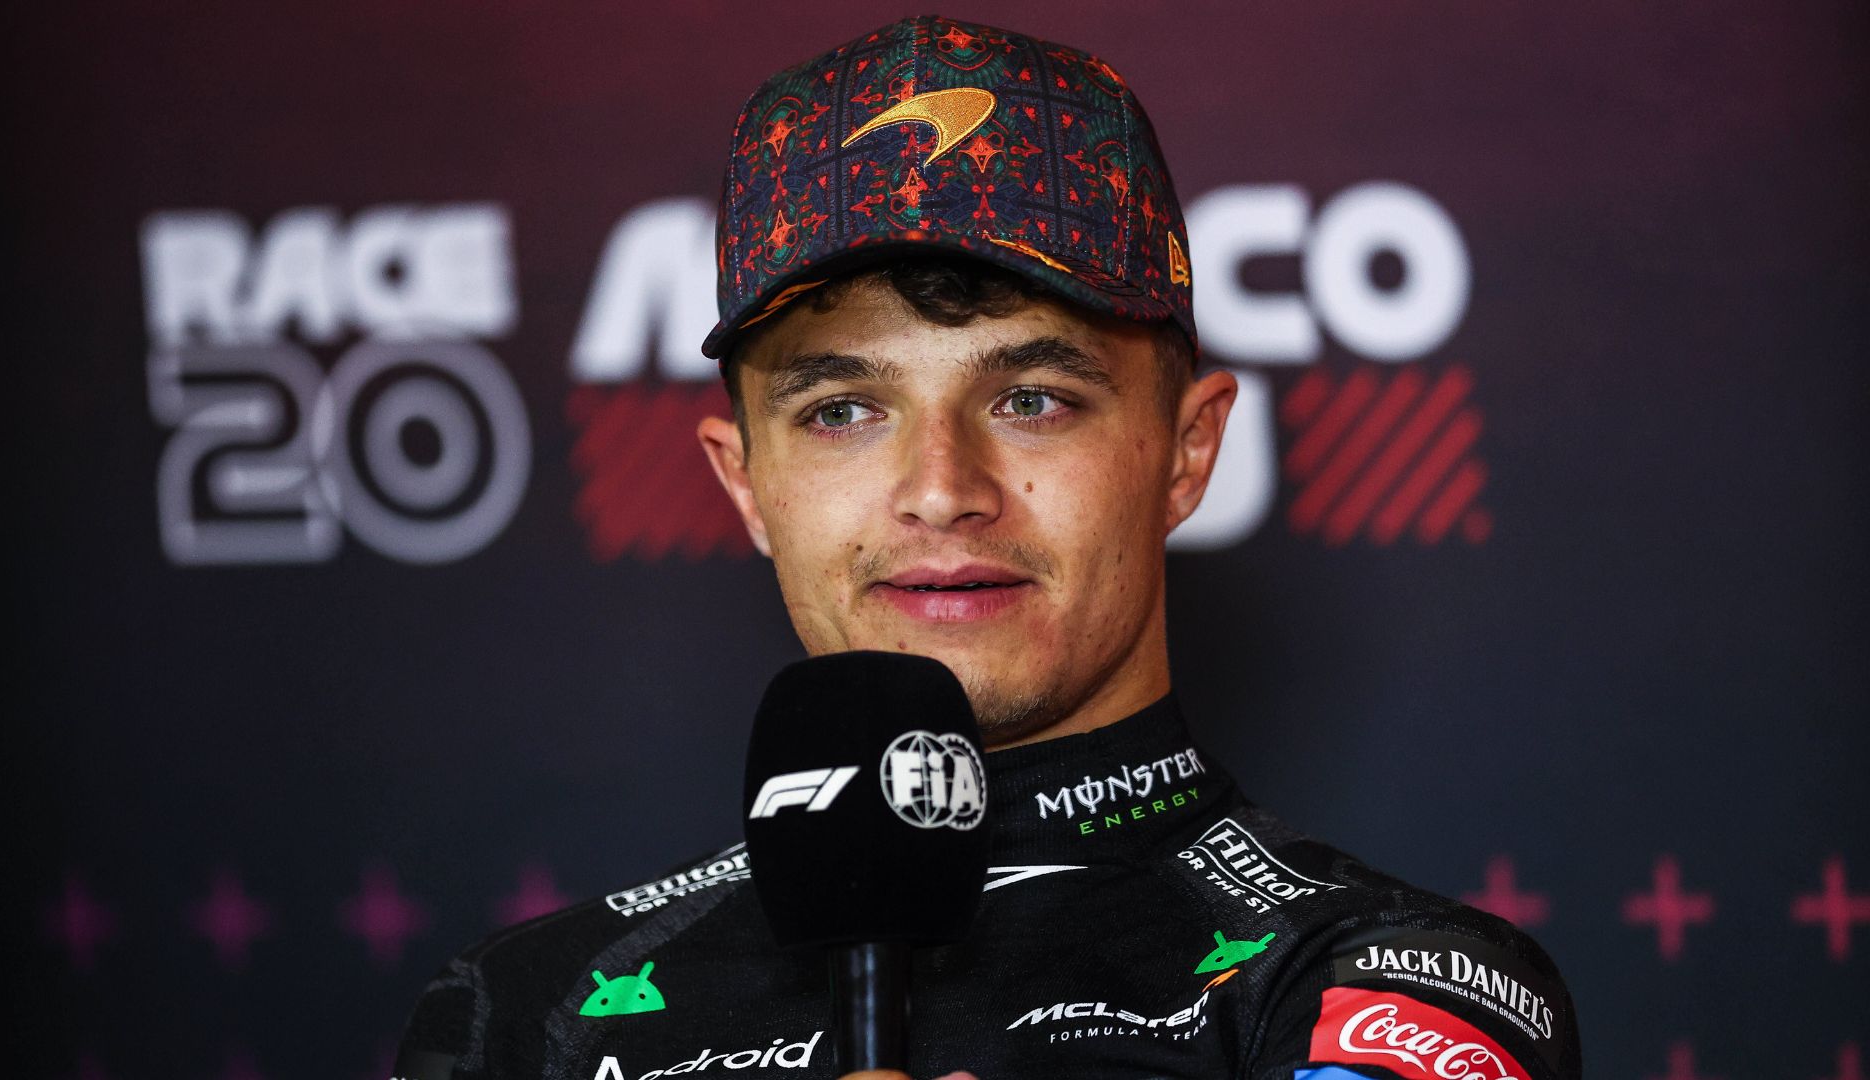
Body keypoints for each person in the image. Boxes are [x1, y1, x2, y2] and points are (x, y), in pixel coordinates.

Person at [394, 15, 1579, 1079]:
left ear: (1189, 450)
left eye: (1033, 399)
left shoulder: (1388, 983)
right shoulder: (526, 1015)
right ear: (745, 483)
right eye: (842, 412)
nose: (942, 491)